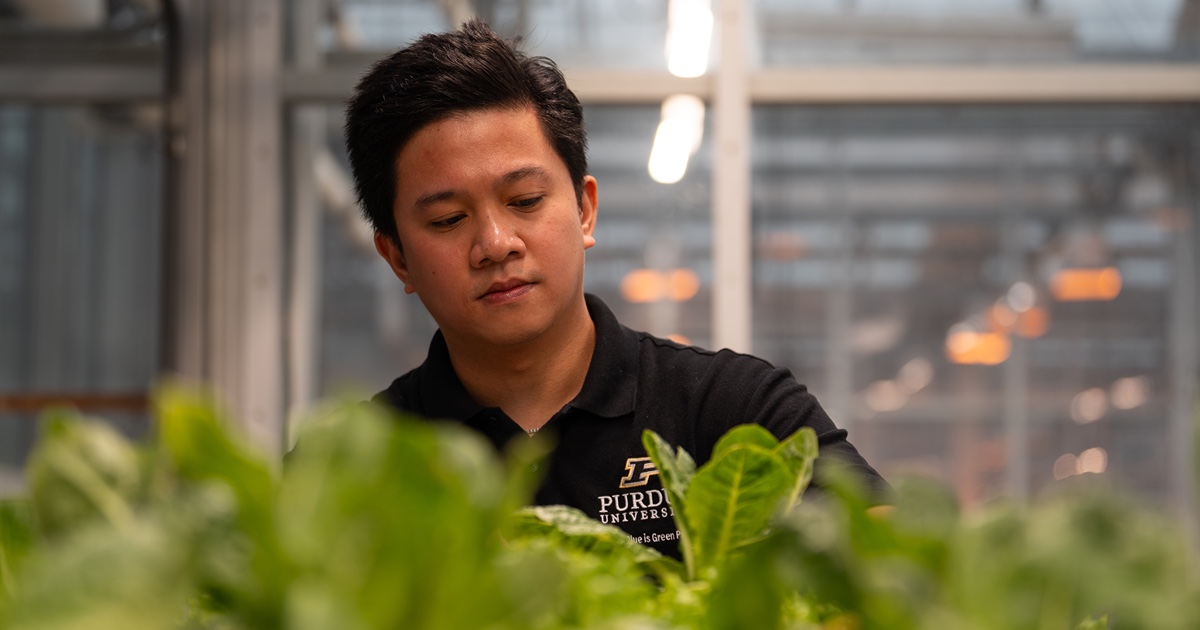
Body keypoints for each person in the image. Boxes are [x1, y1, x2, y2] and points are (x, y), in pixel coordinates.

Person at [345, 19, 888, 558]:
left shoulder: (732, 410)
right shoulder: (355, 465)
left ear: (584, 210)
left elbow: (896, 562)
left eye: (526, 201)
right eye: (447, 220)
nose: (496, 243)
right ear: (397, 258)